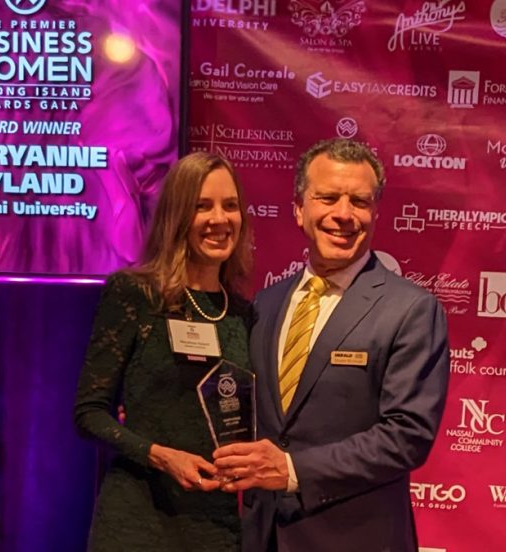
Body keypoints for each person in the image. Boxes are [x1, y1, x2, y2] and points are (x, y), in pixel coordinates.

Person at [213, 139, 449, 552]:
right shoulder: (267, 304)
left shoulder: (411, 309)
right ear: (299, 209)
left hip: (357, 539)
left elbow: (407, 435)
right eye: (327, 197)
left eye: (359, 201)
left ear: (375, 212)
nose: (343, 214)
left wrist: (290, 469)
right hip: (262, 536)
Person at [74, 152, 254, 551]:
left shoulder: (244, 314)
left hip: (216, 524)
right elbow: (88, 413)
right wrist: (159, 455)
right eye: (201, 206)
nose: (219, 220)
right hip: (138, 518)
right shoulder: (136, 293)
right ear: (176, 216)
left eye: (230, 206)